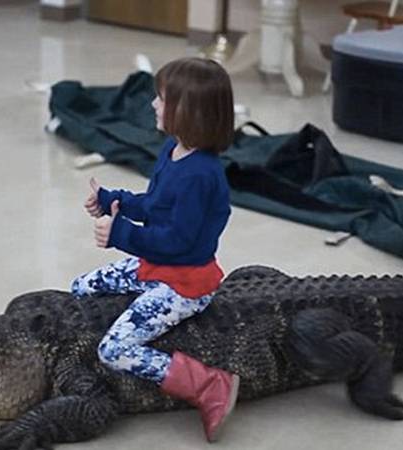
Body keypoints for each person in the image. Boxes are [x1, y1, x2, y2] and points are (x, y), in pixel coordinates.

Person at [71, 57, 238, 442]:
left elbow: (178, 243)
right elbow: (154, 205)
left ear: (189, 111)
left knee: (113, 350)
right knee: (81, 286)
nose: (153, 104)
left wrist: (119, 234)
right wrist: (115, 201)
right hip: (156, 264)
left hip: (185, 283)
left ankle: (210, 385)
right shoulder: (173, 150)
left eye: (162, 98)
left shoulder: (201, 175)